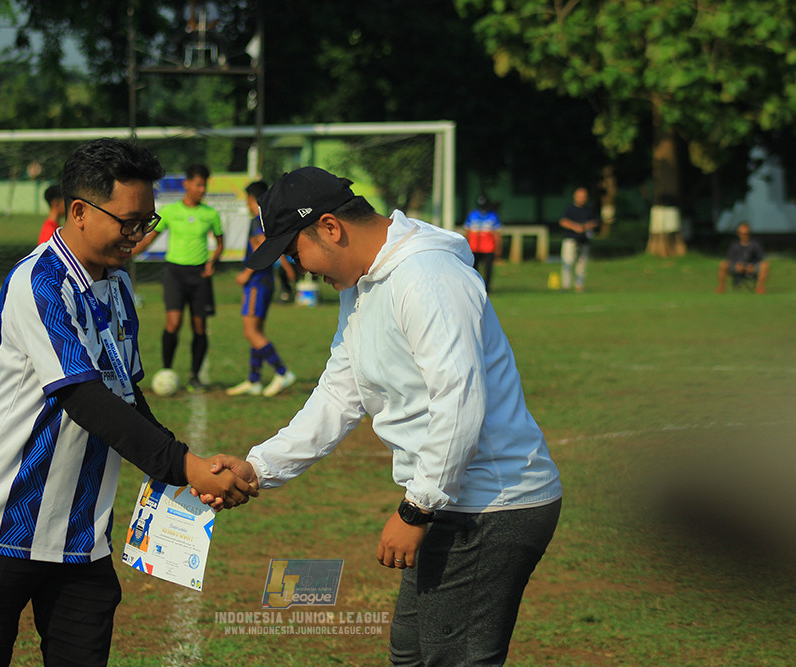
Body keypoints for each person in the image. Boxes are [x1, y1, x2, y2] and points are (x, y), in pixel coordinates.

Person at [203, 167, 562, 665]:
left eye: (293, 250)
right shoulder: (363, 286)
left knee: (449, 659)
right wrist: (259, 467)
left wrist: (417, 508)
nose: (298, 266)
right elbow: (339, 394)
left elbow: (459, 399)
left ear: (330, 228)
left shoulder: (427, 277)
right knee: (410, 655)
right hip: (449, 503)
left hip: (490, 506)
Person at [0, 138, 256, 667]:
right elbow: (83, 397)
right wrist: (183, 463)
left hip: (82, 533)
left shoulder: (116, 286)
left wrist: (187, 470)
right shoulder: (39, 282)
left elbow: (126, 394)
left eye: (147, 223)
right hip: (2, 521)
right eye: (129, 222)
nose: (138, 236)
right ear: (80, 212)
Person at [132, 164, 224, 391]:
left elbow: (220, 243)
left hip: (200, 275)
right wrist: (129, 252)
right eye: (198, 184)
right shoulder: (171, 212)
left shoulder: (210, 214)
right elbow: (150, 238)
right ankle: (166, 370)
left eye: (204, 185)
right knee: (173, 323)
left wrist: (213, 262)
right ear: (187, 184)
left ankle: (195, 376)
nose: (201, 189)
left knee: (199, 326)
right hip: (175, 274)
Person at [226, 181, 297, 397]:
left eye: (247, 200)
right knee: (256, 332)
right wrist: (286, 268)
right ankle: (254, 379)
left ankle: (282, 372)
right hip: (265, 282)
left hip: (256, 282)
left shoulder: (257, 220)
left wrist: (246, 274)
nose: (246, 205)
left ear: (254, 200)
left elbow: (261, 246)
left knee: (251, 332)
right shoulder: (269, 221)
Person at [558, 187, 599, 292]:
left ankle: (579, 285)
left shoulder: (589, 210)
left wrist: (586, 226)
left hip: (584, 241)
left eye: (584, 197)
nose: (582, 199)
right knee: (568, 262)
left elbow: (595, 222)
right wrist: (575, 227)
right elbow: (563, 221)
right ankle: (565, 286)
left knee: (582, 264)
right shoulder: (569, 209)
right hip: (570, 239)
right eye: (579, 196)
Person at [717, 222, 770, 294]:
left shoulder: (755, 245)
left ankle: (760, 287)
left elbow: (760, 258)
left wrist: (751, 266)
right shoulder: (734, 245)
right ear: (738, 234)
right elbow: (730, 259)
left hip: (751, 267)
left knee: (765, 265)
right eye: (742, 234)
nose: (744, 236)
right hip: (737, 267)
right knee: (723, 264)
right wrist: (736, 265)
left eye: (746, 234)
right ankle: (721, 287)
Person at [463, 195, 502, 291]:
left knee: (488, 270)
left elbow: (497, 234)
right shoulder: (472, 215)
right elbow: (467, 232)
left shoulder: (493, 216)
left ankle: (487, 289)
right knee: (474, 269)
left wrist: (498, 248)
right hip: (474, 248)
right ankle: (476, 287)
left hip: (488, 248)